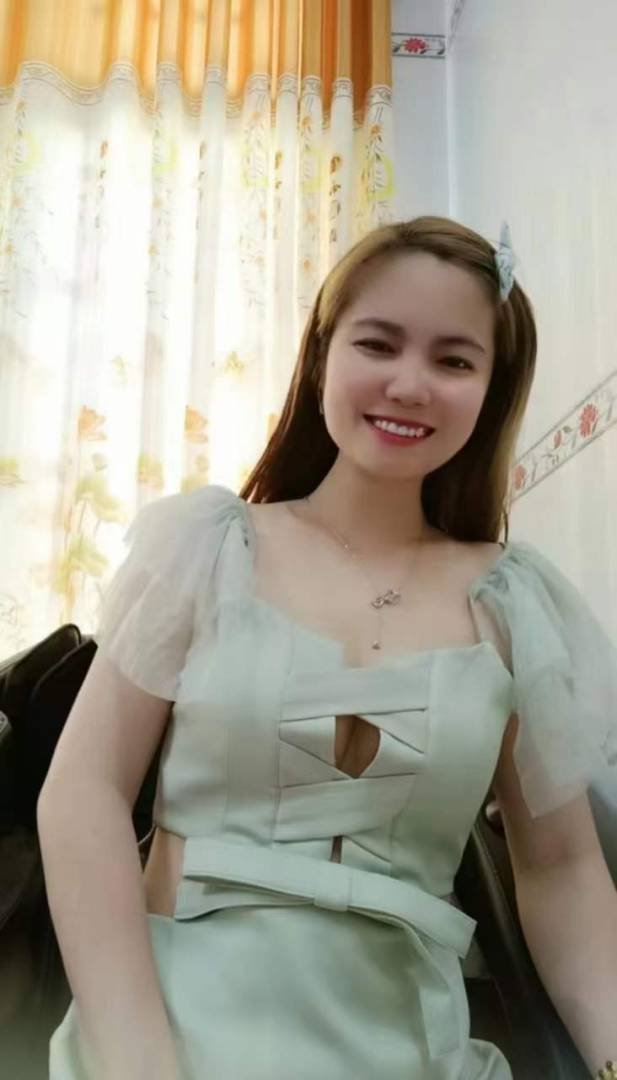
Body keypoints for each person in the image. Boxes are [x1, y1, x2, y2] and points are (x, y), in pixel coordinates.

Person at [38, 217, 617, 1080]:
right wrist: (136, 1060)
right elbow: (82, 796)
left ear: (491, 390)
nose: (409, 385)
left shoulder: (514, 603)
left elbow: (561, 867)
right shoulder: (207, 548)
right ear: (320, 358)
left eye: (454, 361)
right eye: (377, 344)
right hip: (172, 1031)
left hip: (413, 1045)